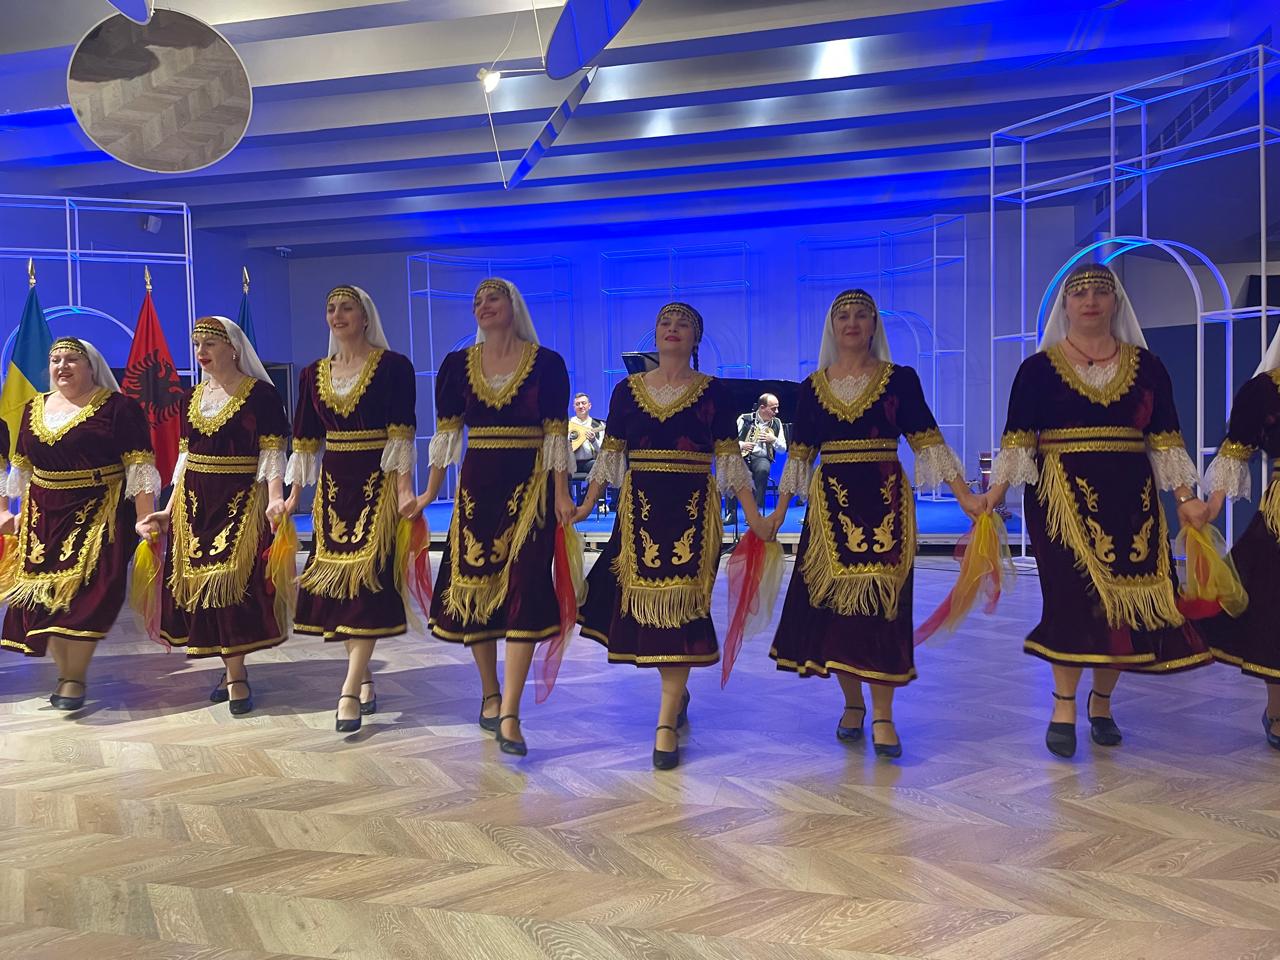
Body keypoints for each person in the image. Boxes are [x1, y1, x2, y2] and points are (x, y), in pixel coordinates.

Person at [981, 262, 1211, 758]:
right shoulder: (1037, 370)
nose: (1090, 301)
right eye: (1080, 292)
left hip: (1133, 502)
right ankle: (1063, 706)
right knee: (1069, 600)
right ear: (1065, 305)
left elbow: (1166, 440)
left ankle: (1101, 703)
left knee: (1122, 603)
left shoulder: (1148, 368)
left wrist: (1185, 499)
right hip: (1059, 502)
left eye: (1100, 292)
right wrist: (991, 499)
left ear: (1115, 303)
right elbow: (1017, 443)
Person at [767, 289, 977, 758]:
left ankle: (883, 713)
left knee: (883, 608)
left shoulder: (899, 380)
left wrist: (964, 494)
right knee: (838, 612)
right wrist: (779, 511)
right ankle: (852, 704)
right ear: (832, 327)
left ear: (874, 325)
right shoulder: (812, 387)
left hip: (886, 504)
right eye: (843, 315)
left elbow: (928, 441)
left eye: (861, 315)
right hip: (831, 510)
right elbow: (799, 456)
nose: (852, 322)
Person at [574, 302, 774, 770]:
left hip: (692, 515)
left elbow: (729, 459)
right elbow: (610, 455)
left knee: (682, 611)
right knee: (647, 612)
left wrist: (754, 516)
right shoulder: (627, 392)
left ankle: (665, 721)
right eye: (665, 322)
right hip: (640, 514)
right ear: (655, 333)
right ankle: (675, 694)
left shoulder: (713, 392)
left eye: (683, 323)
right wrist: (585, 506)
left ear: (695, 338)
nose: (672, 328)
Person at [421, 278, 574, 757]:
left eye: (493, 298)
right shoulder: (456, 367)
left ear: (514, 305)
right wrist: (429, 491)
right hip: (476, 489)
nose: (483, 305)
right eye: (477, 301)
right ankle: (490, 692)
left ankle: (510, 711)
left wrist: (561, 493)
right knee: (475, 588)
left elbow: (556, 436)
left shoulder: (547, 365)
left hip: (530, 489)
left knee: (525, 585)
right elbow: (447, 435)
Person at [284, 285, 418, 733]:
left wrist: (404, 490)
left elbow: (401, 433)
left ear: (365, 317)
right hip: (332, 488)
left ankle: (348, 688)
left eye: (346, 308)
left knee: (365, 588)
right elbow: (305, 440)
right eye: (331, 308)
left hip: (376, 485)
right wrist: (292, 496)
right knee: (340, 590)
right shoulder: (312, 374)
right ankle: (362, 678)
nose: (337, 315)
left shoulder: (394, 367)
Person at [141, 316, 290, 716]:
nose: (201, 351)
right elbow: (185, 457)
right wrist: (168, 508)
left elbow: (273, 451)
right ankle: (230, 669)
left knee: (232, 587)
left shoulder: (261, 395)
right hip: (195, 503)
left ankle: (236, 674)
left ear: (233, 349)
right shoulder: (191, 397)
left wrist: (276, 498)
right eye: (197, 344)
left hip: (241, 498)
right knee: (203, 588)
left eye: (209, 343)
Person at [2, 337, 159, 711]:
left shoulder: (118, 408)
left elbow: (139, 466)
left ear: (92, 366)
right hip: (43, 517)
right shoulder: (33, 408)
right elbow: (21, 467)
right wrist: (10, 511)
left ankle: (74, 676)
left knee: (88, 598)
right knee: (46, 600)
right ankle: (66, 673)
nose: (62, 366)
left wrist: (144, 517)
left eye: (72, 359)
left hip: (100, 512)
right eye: (55, 359)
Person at [1202, 325, 1280, 750]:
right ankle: (1278, 711)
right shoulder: (1264, 391)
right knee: (1273, 611)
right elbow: (1235, 450)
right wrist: (1211, 505)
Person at [729, 393, 786, 520]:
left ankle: (755, 513)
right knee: (732, 470)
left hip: (762, 457)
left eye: (777, 408)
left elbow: (783, 449)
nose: (777, 412)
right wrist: (742, 445)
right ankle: (731, 513)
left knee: (763, 470)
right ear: (762, 408)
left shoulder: (777, 423)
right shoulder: (744, 419)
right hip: (742, 456)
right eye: (773, 408)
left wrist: (773, 440)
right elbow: (730, 441)